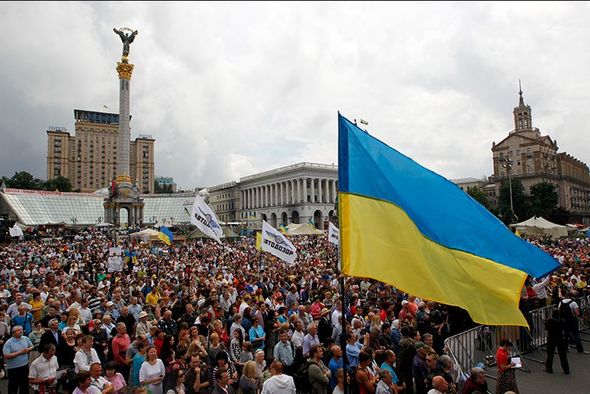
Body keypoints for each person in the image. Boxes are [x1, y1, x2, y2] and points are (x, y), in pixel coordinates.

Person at [3, 325, 34, 394]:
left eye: (22, 329)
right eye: (18, 330)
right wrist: (21, 352)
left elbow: (32, 346)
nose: (21, 331)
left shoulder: (25, 338)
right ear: (13, 333)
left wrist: (28, 350)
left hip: (25, 366)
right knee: (13, 386)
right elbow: (6, 356)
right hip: (13, 368)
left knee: (24, 385)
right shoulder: (8, 343)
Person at [544, 309, 570, 374]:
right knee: (563, 355)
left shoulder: (550, 321)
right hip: (560, 338)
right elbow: (565, 328)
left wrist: (545, 322)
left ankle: (549, 368)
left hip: (551, 338)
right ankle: (566, 369)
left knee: (550, 354)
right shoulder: (562, 321)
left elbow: (546, 328)